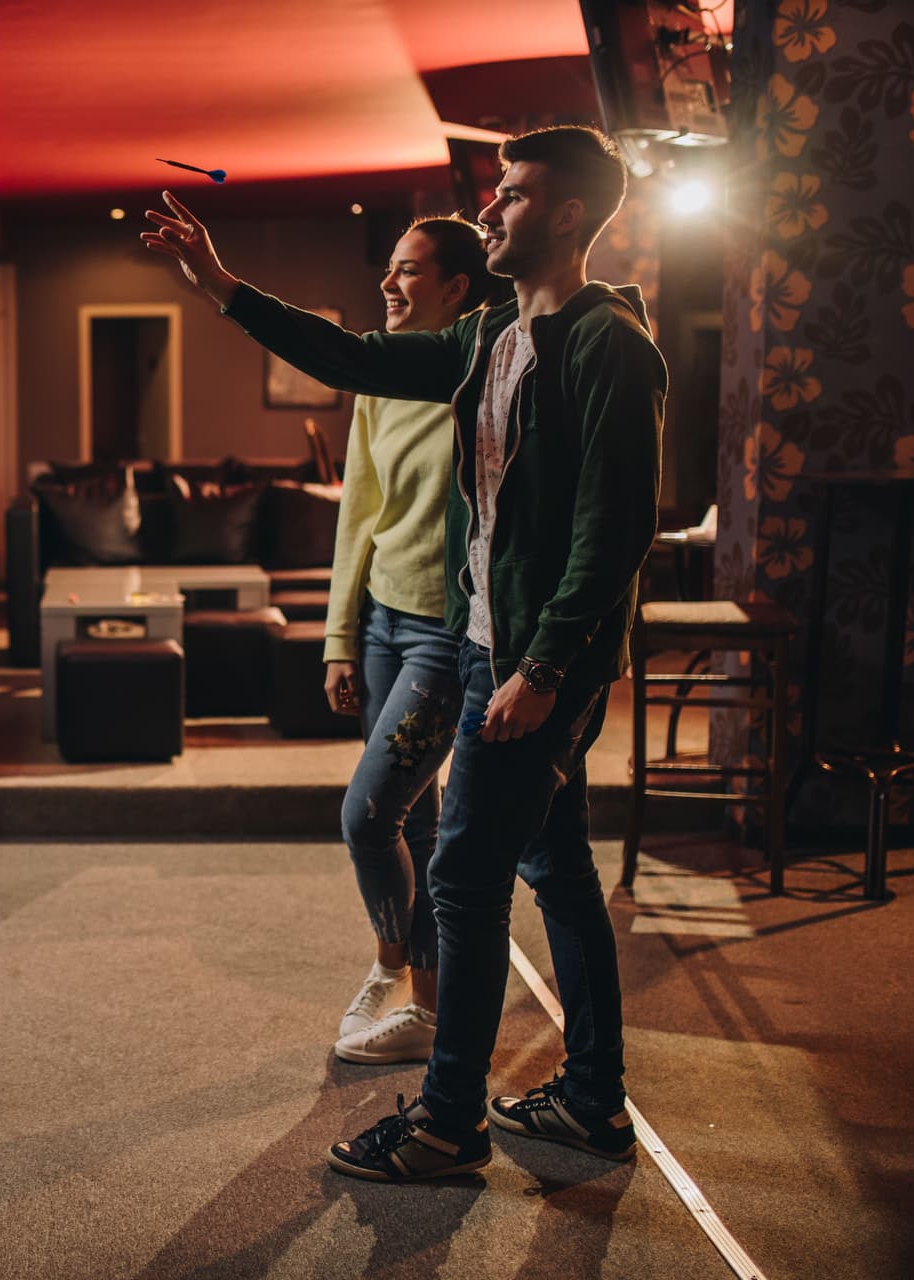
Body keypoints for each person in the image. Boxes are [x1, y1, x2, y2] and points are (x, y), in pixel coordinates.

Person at [143, 125, 664, 1182]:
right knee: (554, 865)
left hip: (526, 666)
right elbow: (356, 356)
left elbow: (615, 530)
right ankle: (595, 1101)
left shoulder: (609, 343)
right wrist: (222, 286)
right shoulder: (487, 338)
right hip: (486, 646)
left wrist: (544, 667)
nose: (493, 211)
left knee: (466, 878)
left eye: (514, 195)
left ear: (567, 215)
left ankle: (446, 1121)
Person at [317, 218, 496, 1066]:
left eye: (409, 272)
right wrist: (339, 637)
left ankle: (392, 962)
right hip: (384, 621)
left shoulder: (480, 372)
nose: (389, 285)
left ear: (458, 287)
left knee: (366, 815)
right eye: (387, 270)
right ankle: (424, 1011)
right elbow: (360, 512)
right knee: (409, 823)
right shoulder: (377, 381)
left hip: (445, 630)